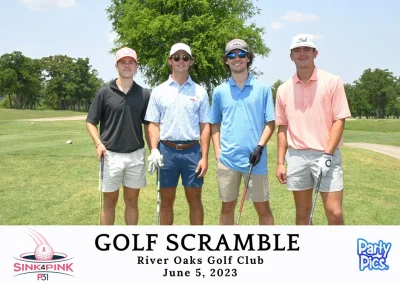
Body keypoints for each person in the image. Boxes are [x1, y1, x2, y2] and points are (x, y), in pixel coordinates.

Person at [275, 34, 351, 225]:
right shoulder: (283, 89)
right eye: (297, 50)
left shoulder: (332, 81)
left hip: (326, 155)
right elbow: (282, 128)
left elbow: (339, 120)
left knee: (334, 212)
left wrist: (328, 154)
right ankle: (305, 253)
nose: (302, 54)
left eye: (307, 49)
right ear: (291, 56)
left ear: (315, 53)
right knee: (302, 213)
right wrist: (280, 163)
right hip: (297, 156)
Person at [209, 39, 276, 225]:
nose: (236, 58)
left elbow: (270, 122)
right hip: (228, 160)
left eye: (241, 54)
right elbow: (214, 123)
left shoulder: (262, 89)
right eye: (231, 54)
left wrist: (260, 148)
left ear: (248, 58)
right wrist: (217, 151)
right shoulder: (219, 91)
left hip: (256, 160)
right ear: (226, 60)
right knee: (227, 208)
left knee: (263, 208)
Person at [144, 43, 211, 225]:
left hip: (192, 152)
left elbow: (205, 126)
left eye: (185, 58)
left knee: (195, 200)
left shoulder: (200, 92)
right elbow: (153, 123)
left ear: (191, 62)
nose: (181, 61)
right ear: (170, 61)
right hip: (167, 151)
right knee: (166, 201)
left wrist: (204, 157)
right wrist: (153, 149)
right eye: (177, 57)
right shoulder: (158, 91)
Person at [86, 47, 151, 225]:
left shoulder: (144, 94)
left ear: (137, 66)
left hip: (135, 155)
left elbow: (149, 125)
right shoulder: (104, 92)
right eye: (123, 62)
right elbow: (91, 121)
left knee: (131, 202)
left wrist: (154, 150)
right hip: (110, 155)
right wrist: (98, 143)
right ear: (117, 66)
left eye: (131, 62)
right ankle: (106, 245)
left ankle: (130, 244)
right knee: (109, 202)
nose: (127, 65)